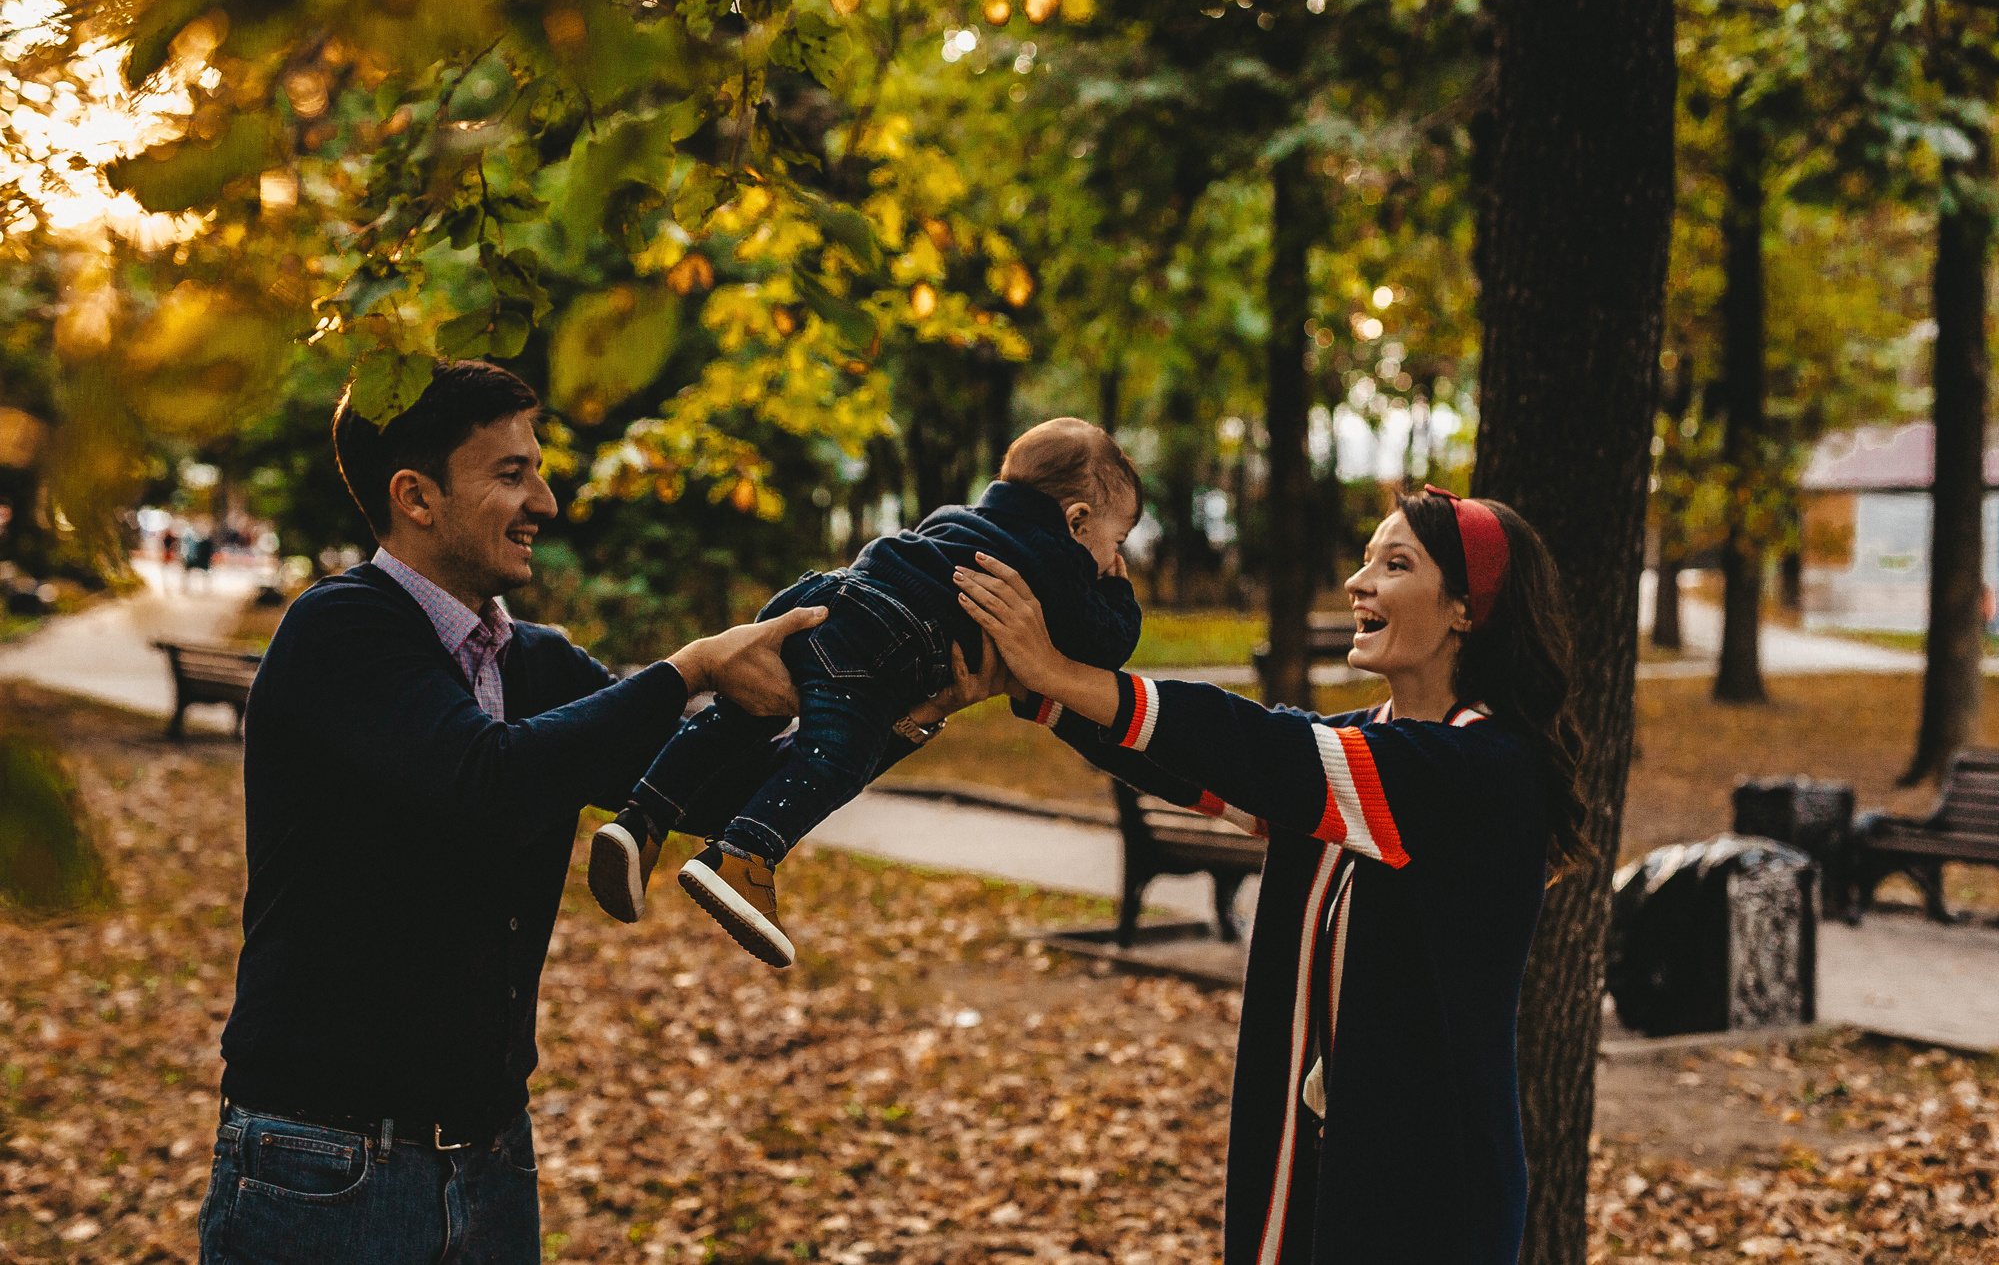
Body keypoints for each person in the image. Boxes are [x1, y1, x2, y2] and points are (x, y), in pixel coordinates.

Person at [196, 361, 986, 1265]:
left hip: (488, 1158)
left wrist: (903, 716)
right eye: (510, 473)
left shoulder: (534, 661)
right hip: (323, 1163)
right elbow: (489, 779)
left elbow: (716, 791)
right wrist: (688, 667)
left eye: (537, 467)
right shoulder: (340, 632)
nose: (546, 499)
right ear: (415, 496)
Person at [954, 485, 1589, 1265]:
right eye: (1365, 560)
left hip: (1426, 1189)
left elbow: (1262, 750)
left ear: (1465, 608)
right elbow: (1213, 773)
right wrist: (1034, 690)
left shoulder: (1482, 768)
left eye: (1395, 564)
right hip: (1319, 1157)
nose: (1359, 583)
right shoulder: (1367, 751)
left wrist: (1056, 672)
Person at [587, 416, 1145, 968]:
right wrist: (1118, 592)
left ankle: (641, 820)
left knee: (739, 715)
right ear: (1077, 521)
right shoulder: (1059, 559)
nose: (1111, 559)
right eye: (1116, 542)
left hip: (828, 593)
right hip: (885, 641)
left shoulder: (956, 517)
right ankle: (745, 855)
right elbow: (1106, 642)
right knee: (836, 757)